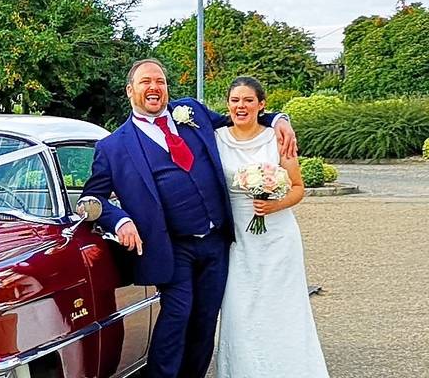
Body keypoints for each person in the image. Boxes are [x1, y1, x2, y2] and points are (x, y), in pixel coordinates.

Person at [77, 58, 297, 378]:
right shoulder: (114, 146)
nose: (154, 88)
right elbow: (92, 197)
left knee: (206, 318)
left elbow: (237, 118)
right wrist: (120, 220)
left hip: (216, 241)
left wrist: (279, 118)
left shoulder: (190, 111)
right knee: (178, 315)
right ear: (130, 91)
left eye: (160, 81)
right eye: (145, 82)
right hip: (170, 245)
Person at [214, 76, 329, 377]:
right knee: (240, 310)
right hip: (237, 238)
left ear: (261, 105)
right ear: (227, 104)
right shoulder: (215, 138)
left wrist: (274, 205)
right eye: (235, 100)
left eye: (248, 100)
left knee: (281, 310)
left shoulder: (277, 138)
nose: (241, 106)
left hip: (277, 238)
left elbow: (297, 187)